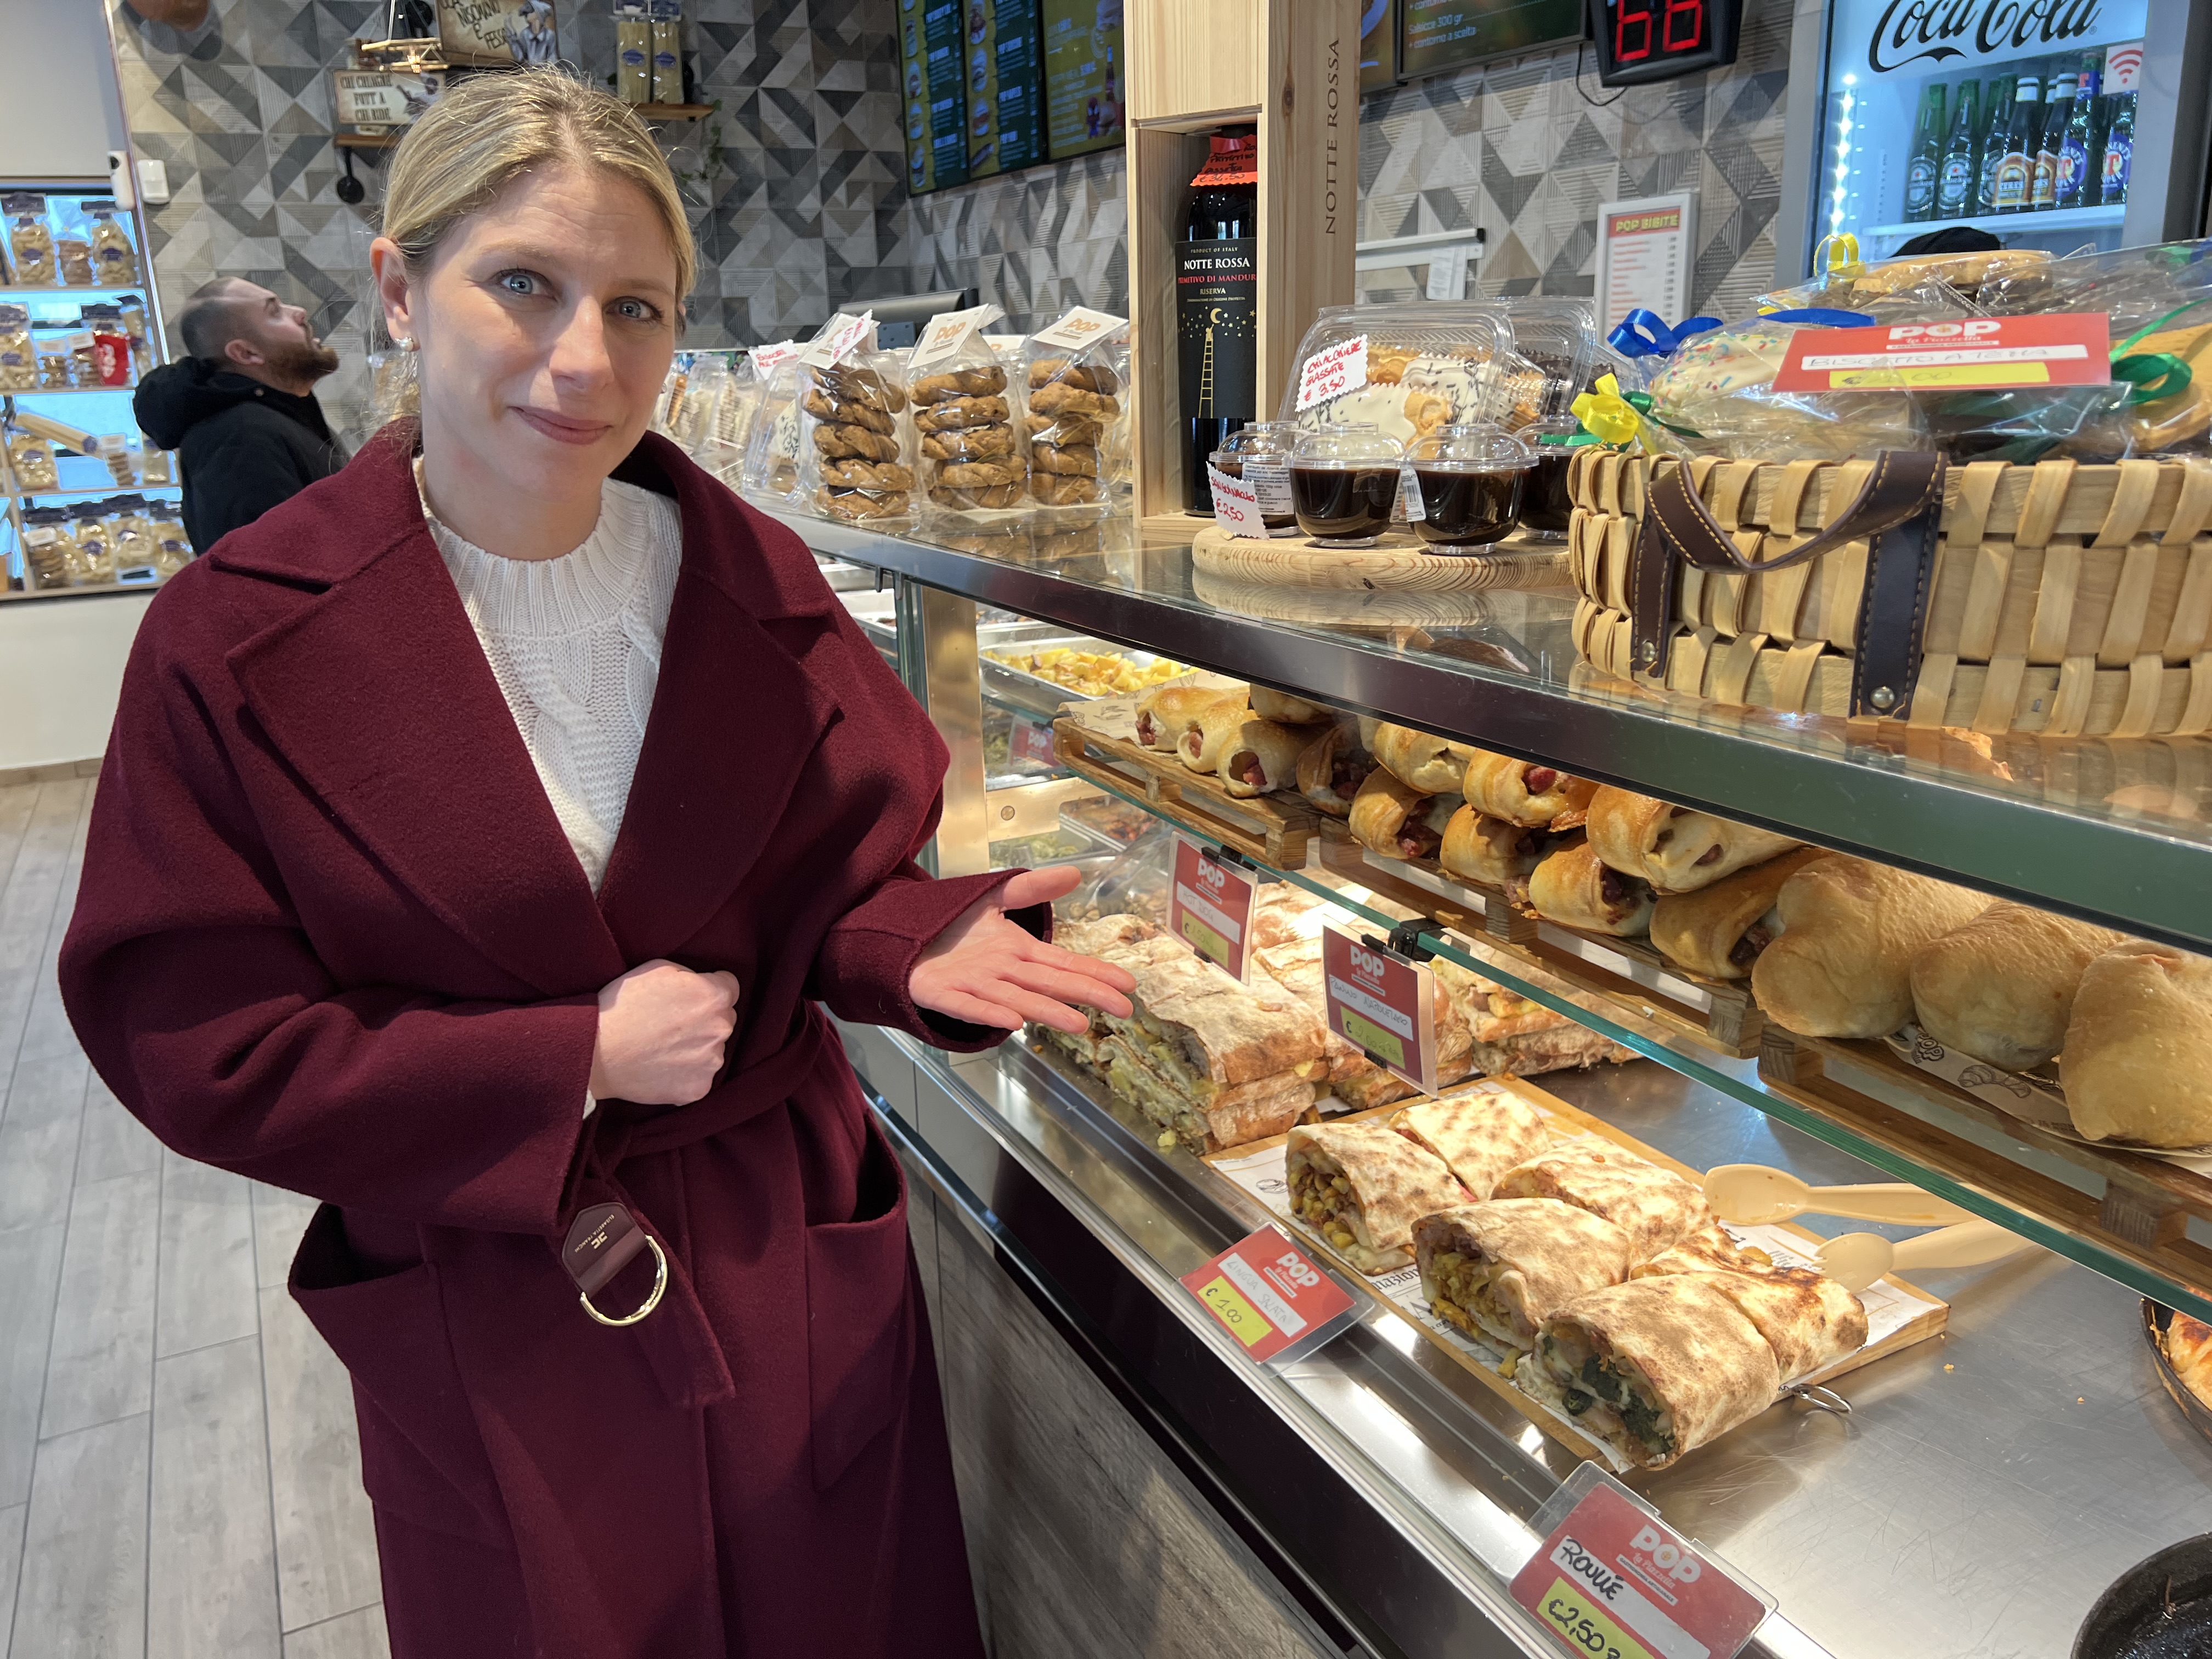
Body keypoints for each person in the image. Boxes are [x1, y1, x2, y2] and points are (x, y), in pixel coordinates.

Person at [61, 69, 1135, 1659]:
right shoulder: (229, 641)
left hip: (778, 1254)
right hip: (495, 1294)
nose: (585, 359)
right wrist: (567, 1060)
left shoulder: (755, 578)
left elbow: (822, 879)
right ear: (397, 289)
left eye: (637, 307)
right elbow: (195, 1033)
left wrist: (905, 942)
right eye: (523, 284)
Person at [133, 276, 348, 554]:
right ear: (246, 353)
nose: (299, 312)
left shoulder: (277, 414)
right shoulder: (239, 439)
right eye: (275, 312)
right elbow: (272, 566)